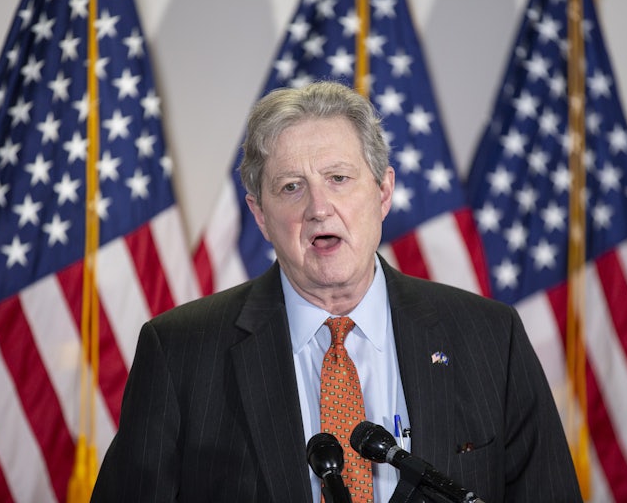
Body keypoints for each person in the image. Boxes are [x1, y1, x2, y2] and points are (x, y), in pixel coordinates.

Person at [91, 81, 582, 502]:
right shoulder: (181, 352)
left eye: (339, 178)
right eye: (290, 187)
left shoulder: (490, 338)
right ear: (259, 215)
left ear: (384, 193)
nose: (319, 207)